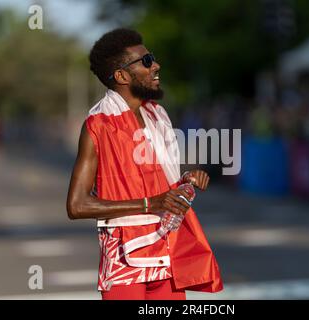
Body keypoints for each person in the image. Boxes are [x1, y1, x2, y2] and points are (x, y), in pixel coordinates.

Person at [66, 28, 223, 300]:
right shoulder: (98, 125)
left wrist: (186, 180)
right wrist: (152, 203)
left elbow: (158, 183)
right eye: (147, 61)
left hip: (167, 251)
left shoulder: (157, 115)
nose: (156, 65)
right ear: (122, 76)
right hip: (125, 261)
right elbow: (77, 205)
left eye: (152, 57)